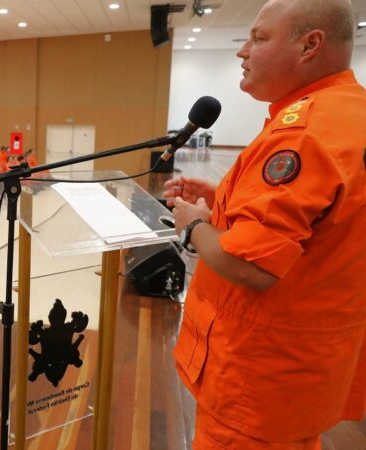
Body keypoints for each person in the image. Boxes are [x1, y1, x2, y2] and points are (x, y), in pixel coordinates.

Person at [165, 1, 366, 448]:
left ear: (310, 45)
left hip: (257, 380)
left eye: (258, 38)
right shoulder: (350, 112)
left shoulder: (302, 131)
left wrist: (194, 225)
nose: (243, 52)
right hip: (304, 367)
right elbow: (324, 226)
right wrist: (222, 203)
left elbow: (250, 265)